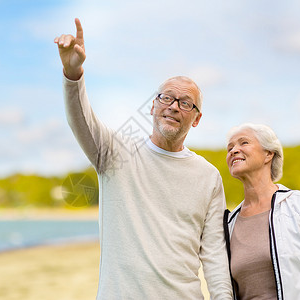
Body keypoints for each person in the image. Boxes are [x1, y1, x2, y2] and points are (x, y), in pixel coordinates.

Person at [54, 18, 232, 299]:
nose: (173, 107)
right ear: (152, 106)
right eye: (166, 98)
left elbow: (214, 254)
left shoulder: (208, 176)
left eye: (185, 103)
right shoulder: (114, 153)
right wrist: (73, 73)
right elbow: (81, 120)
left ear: (196, 119)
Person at [223, 123, 300, 300]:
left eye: (243, 143)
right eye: (230, 147)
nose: (234, 150)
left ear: (269, 153)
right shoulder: (229, 223)